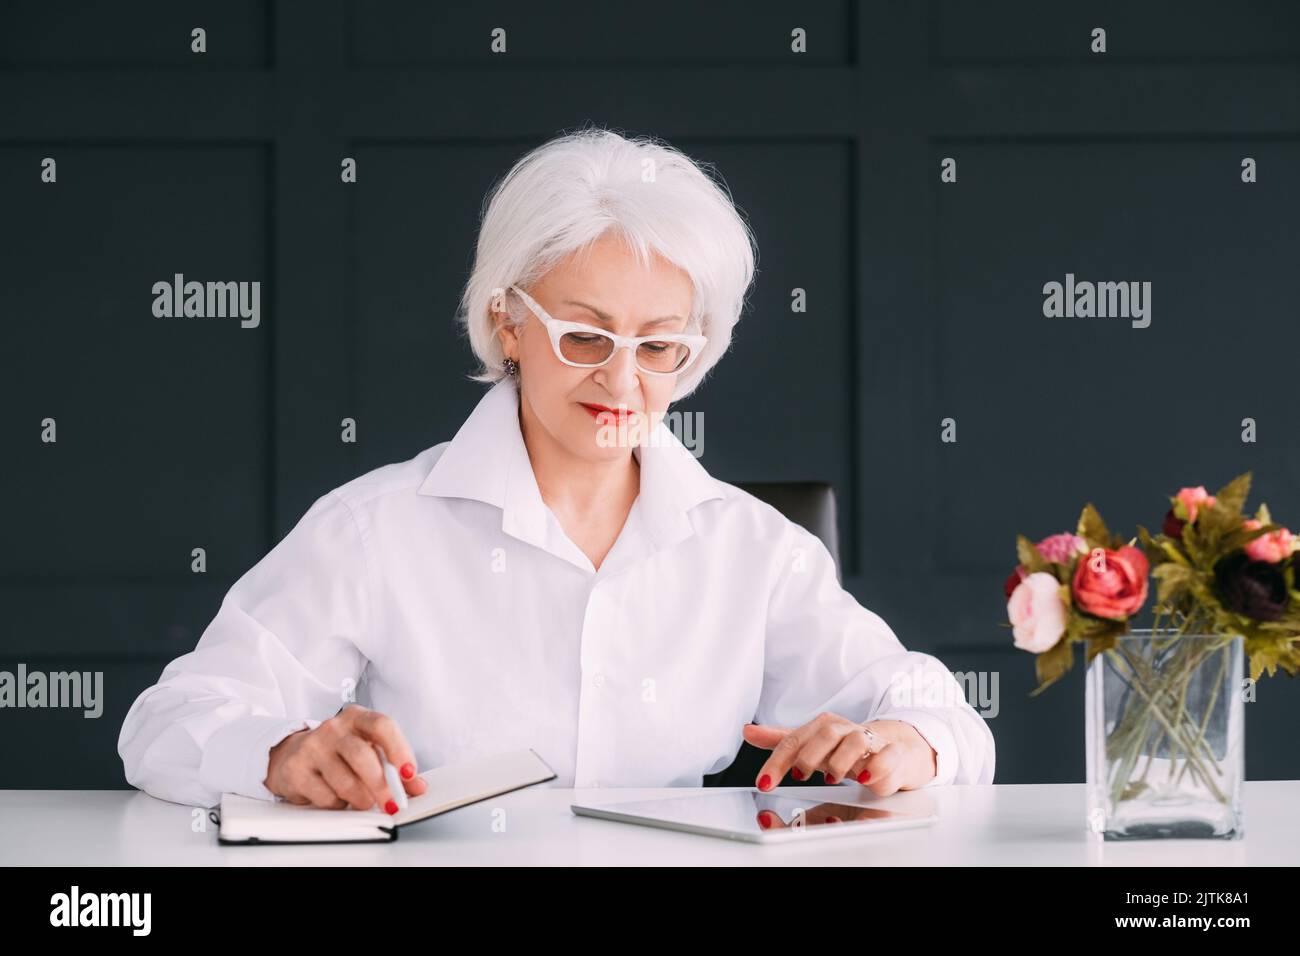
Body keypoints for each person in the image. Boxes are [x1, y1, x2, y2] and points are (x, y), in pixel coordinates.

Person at [118, 126, 995, 812]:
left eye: (660, 347)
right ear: (508, 321)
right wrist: (278, 754)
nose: (622, 380)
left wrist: (911, 746)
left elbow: (937, 714)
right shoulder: (374, 529)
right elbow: (167, 724)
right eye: (585, 336)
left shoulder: (753, 551)